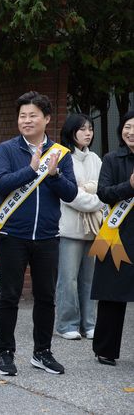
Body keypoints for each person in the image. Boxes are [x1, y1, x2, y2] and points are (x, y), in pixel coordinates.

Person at [0, 91, 77, 376]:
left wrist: (55, 176)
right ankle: (6, 353)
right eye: (22, 116)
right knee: (9, 296)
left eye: (32, 115)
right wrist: (31, 170)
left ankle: (42, 352)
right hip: (13, 235)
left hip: (48, 237)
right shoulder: (7, 149)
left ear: (46, 119)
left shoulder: (60, 154)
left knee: (46, 297)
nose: (26, 120)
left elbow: (72, 193)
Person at [89, 110, 134, 366]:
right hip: (116, 234)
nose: (131, 132)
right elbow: (104, 193)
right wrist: (130, 185)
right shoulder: (111, 159)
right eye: (128, 127)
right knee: (112, 294)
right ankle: (106, 349)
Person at [55, 114, 103, 340]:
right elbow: (68, 195)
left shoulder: (95, 159)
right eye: (82, 129)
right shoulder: (64, 157)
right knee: (69, 279)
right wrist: (91, 196)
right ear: (72, 131)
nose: (87, 133)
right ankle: (67, 324)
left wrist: (90, 192)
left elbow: (104, 191)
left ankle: (89, 323)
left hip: (93, 229)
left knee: (90, 279)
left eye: (90, 129)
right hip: (69, 229)